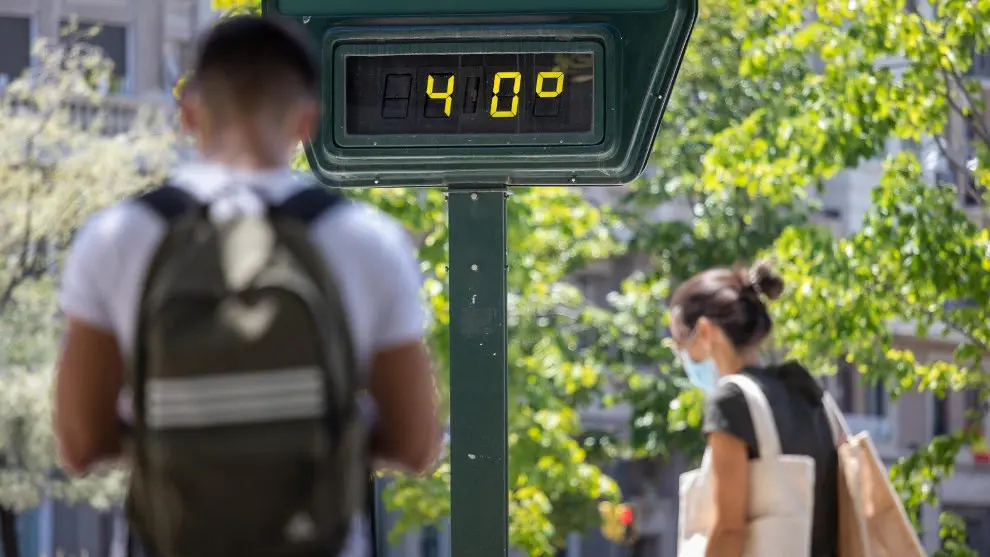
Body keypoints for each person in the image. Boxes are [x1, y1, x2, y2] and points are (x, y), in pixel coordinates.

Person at [53, 14, 441, 557]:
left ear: (189, 114)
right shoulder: (366, 240)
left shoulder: (117, 236)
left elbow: (80, 443)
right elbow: (416, 443)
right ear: (306, 121)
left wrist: (183, 432)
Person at [669, 261, 838, 557]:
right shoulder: (807, 392)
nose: (682, 357)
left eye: (680, 344)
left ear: (706, 331)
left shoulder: (731, 400)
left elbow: (729, 530)